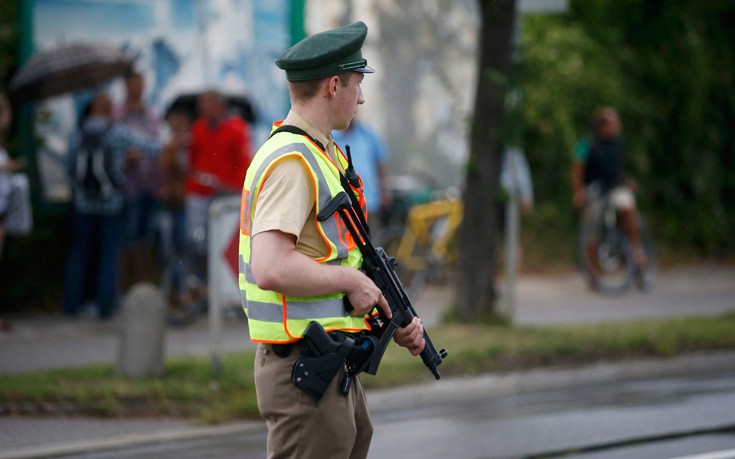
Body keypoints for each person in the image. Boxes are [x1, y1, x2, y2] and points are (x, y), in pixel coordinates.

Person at [238, 21, 425, 458]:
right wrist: (350, 282)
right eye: (358, 83)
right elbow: (271, 266)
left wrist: (388, 311)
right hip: (303, 367)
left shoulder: (322, 153)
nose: (361, 97)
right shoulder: (292, 161)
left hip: (327, 362)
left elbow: (340, 256)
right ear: (334, 84)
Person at [63, 92, 161, 320]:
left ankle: (72, 303)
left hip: (82, 203)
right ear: (107, 109)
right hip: (112, 202)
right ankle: (104, 305)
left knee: (79, 252)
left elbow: (69, 166)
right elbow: (152, 147)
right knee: (109, 253)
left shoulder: (76, 134)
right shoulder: (116, 133)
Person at [570, 106, 646, 266]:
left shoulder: (618, 144)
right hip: (595, 190)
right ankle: (592, 269)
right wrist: (578, 192)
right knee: (591, 227)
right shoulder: (586, 145)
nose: (617, 126)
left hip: (615, 188)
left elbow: (617, 170)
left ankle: (635, 249)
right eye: (613, 123)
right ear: (602, 126)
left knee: (627, 207)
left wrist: (626, 181)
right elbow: (576, 171)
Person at [114, 71, 163, 285]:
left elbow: (158, 145)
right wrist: (125, 157)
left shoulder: (150, 114)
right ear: (126, 86)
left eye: (141, 84)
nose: (139, 89)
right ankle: (125, 287)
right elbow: (113, 147)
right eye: (135, 84)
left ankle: (144, 285)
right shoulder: (118, 115)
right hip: (128, 186)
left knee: (147, 237)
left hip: (149, 185)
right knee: (127, 238)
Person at [186, 90, 251, 250]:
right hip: (201, 193)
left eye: (209, 104)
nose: (204, 109)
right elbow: (192, 161)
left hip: (228, 193)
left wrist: (233, 187)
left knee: (226, 238)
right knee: (198, 240)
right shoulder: (198, 128)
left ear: (220, 106)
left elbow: (243, 163)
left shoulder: (236, 129)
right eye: (202, 105)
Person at [331, 115, 390, 218]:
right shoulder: (331, 137)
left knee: (372, 232)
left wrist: (384, 192)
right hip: (343, 205)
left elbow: (380, 165)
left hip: (370, 201)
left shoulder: (368, 135)